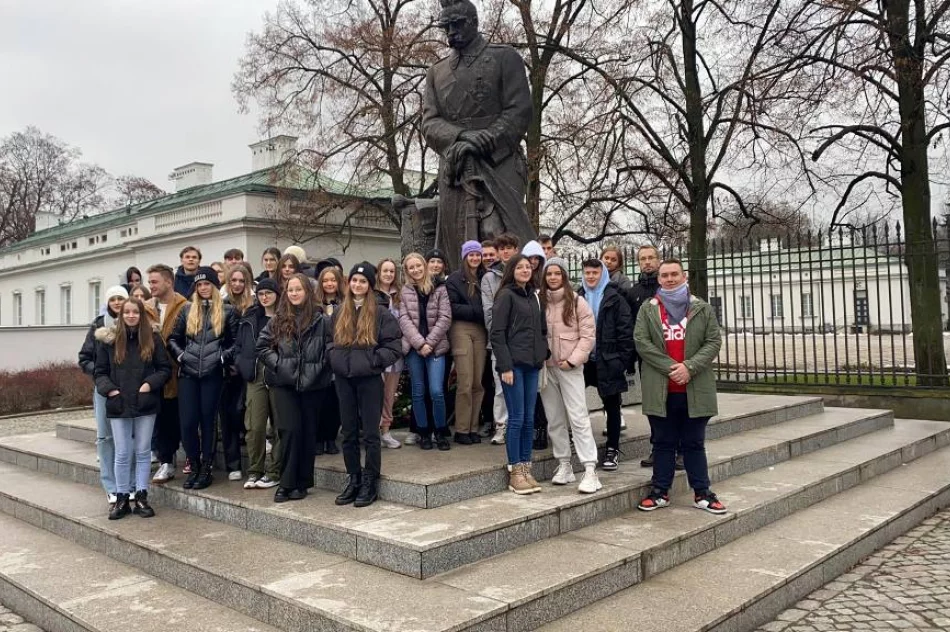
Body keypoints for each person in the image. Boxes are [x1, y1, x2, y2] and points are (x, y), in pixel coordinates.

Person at [421, 0, 535, 260]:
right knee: (457, 242)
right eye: (446, 26)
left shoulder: (504, 57)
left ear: (473, 22)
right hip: (456, 164)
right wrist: (462, 137)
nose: (451, 31)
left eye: (457, 24)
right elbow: (429, 122)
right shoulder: (436, 73)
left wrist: (484, 139)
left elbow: (519, 110)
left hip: (498, 161)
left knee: (499, 234)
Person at [635, 259, 725, 514]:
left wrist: (689, 367)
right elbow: (641, 342)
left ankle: (703, 493)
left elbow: (713, 341)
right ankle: (660, 491)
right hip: (661, 389)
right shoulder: (648, 309)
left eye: (675, 274)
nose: (670, 279)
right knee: (663, 443)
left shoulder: (701, 308)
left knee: (694, 444)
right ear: (659, 279)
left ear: (684, 277)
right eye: (665, 275)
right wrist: (671, 368)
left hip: (694, 388)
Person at [329, 262, 403, 508]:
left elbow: (393, 346)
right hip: (344, 378)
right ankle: (354, 477)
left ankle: (370, 478)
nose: (357, 285)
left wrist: (374, 361)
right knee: (349, 432)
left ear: (370, 285)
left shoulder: (380, 313)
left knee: (371, 433)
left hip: (370, 378)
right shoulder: (340, 311)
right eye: (354, 281)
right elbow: (329, 342)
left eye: (363, 281)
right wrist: (335, 360)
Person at [256, 274, 333, 502]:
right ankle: (286, 482)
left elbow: (330, 349)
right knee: (289, 431)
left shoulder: (321, 320)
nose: (294, 293)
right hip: (285, 384)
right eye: (290, 290)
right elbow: (262, 346)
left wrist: (318, 368)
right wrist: (280, 365)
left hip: (313, 384)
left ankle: (302, 482)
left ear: (307, 291)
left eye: (298, 289)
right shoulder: (278, 319)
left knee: (308, 433)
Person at [95, 298, 171, 520]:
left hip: (145, 402)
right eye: (126, 312)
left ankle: (141, 495)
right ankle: (121, 497)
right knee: (122, 452)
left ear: (141, 315)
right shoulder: (108, 341)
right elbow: (100, 372)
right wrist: (111, 391)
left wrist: (149, 385)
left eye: (135, 312)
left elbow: (164, 368)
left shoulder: (152, 338)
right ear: (121, 315)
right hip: (119, 402)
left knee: (142, 450)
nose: (130, 316)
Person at [169, 266, 239, 491]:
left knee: (208, 421)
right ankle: (195, 464)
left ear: (214, 286)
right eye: (199, 285)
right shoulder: (187, 310)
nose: (203, 288)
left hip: (213, 374)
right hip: (188, 373)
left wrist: (220, 359)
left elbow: (235, 343)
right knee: (188, 422)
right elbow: (172, 338)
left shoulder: (227, 311)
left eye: (207, 284)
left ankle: (207, 468)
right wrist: (181, 356)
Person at [539, 258, 601, 494]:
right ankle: (564, 463)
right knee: (554, 418)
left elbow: (587, 336)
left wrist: (574, 359)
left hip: (570, 367)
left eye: (557, 273)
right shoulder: (539, 301)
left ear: (564, 276)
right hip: (547, 367)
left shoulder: (577, 302)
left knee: (578, 417)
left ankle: (589, 468)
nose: (553, 277)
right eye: (549, 274)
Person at [491, 254, 548, 494]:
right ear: (511, 270)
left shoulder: (534, 295)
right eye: (520, 267)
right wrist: (505, 366)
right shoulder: (506, 295)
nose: (525, 270)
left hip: (532, 364)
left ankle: (526, 467)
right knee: (516, 418)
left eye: (528, 267)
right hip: (513, 365)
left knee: (527, 419)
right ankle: (514, 470)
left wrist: (543, 354)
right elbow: (497, 333)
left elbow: (541, 330)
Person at [78, 284, 133, 507]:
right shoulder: (98, 326)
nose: (117, 303)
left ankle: (127, 484)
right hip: (104, 389)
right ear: (108, 303)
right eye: (113, 299)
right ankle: (110, 486)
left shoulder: (133, 322)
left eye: (121, 298)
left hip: (128, 389)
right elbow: (84, 358)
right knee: (106, 437)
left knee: (127, 437)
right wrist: (102, 375)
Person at [578, 258, 633, 471]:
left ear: (603, 274)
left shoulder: (615, 298)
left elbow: (625, 332)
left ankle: (612, 448)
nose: (591, 276)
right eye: (587, 273)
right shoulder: (577, 296)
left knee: (611, 406)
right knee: (575, 404)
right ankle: (581, 443)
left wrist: (622, 362)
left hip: (609, 360)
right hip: (583, 360)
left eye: (595, 273)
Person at [399, 252, 452, 450]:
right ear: (407, 271)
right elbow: (404, 320)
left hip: (436, 347)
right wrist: (420, 344)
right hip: (414, 348)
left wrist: (429, 343)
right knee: (418, 391)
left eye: (418, 266)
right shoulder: (405, 291)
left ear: (424, 266)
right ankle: (423, 431)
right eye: (411, 267)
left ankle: (440, 430)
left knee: (437, 391)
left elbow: (445, 317)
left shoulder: (440, 288)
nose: (416, 270)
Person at [235, 278, 282, 489]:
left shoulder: (285, 317)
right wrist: (241, 364)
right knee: (254, 426)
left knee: (280, 425)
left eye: (268, 293)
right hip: (255, 374)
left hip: (278, 373)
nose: (264, 297)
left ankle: (275, 472)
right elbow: (239, 345)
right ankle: (255, 470)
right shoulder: (250, 317)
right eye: (261, 293)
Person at [146, 265, 189, 484]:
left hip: (180, 373)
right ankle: (166, 461)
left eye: (154, 281)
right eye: (149, 281)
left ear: (168, 282)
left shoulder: (185, 307)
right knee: (161, 420)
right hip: (155, 376)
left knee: (182, 418)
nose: (150, 286)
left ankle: (191, 457)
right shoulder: (144, 308)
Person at [445, 241, 486, 445]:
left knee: (478, 382)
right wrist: (477, 312)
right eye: (471, 255)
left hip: (481, 330)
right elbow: (452, 307)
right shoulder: (454, 279)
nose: (475, 258)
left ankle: (473, 427)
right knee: (465, 380)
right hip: (461, 328)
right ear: (464, 257)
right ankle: (461, 428)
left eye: (477, 255)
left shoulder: (484, 277)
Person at [481, 232, 520, 445]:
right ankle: (501, 426)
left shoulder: (523, 273)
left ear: (516, 250)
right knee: (500, 388)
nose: (505, 251)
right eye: (502, 248)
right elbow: (488, 311)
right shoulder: (489, 277)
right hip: (499, 341)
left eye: (509, 247)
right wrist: (498, 336)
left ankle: (519, 425)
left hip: (521, 342)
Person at [628, 245, 663, 466]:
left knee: (674, 404)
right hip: (646, 359)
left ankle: (677, 448)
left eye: (651, 258)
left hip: (671, 357)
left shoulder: (667, 287)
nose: (647, 262)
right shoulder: (634, 293)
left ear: (658, 260)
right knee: (652, 405)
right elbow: (631, 327)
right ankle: (657, 447)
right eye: (643, 259)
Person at [220, 263, 255, 481]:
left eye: (242, 281)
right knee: (228, 414)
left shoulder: (254, 305)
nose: (237, 284)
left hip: (249, 365)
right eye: (233, 280)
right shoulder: (221, 305)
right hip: (227, 368)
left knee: (247, 412)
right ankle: (233, 463)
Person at [520, 239, 549, 449]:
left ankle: (543, 427)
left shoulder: (546, 280)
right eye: (529, 258)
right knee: (534, 391)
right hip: (527, 342)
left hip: (545, 339)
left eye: (537, 258)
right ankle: (535, 428)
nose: (533, 262)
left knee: (544, 389)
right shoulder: (521, 283)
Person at [315, 265, 346, 454]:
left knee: (336, 400)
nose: (329, 283)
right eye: (325, 280)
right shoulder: (314, 304)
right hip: (319, 357)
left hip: (339, 356)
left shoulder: (345, 303)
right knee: (320, 400)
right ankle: (319, 438)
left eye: (332, 280)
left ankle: (331, 438)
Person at [376, 258, 404, 450]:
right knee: (375, 393)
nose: (388, 274)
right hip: (376, 352)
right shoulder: (372, 293)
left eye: (391, 271)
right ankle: (372, 430)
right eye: (385, 271)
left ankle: (386, 430)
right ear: (378, 273)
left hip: (394, 353)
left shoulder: (400, 296)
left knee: (389, 394)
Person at [478, 239, 498, 434]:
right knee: (484, 380)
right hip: (478, 333)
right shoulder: (476, 276)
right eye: (485, 255)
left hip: (495, 334)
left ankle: (497, 420)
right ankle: (487, 418)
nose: (489, 258)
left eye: (492, 254)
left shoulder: (500, 275)